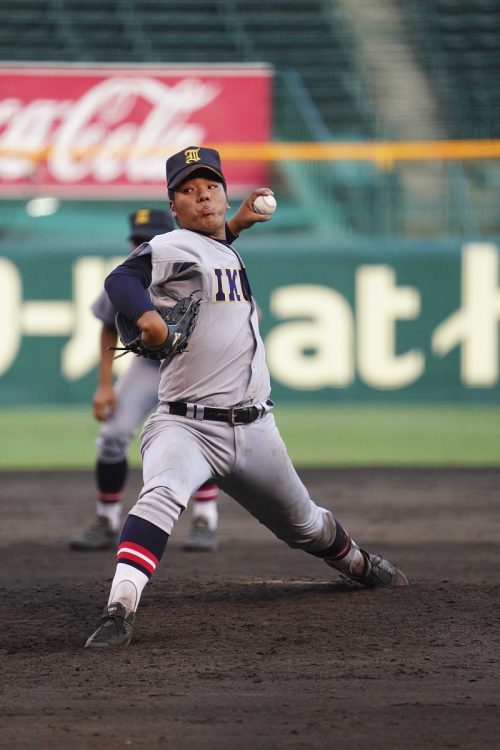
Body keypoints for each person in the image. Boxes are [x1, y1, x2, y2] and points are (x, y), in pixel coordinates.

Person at [85, 146, 409, 648]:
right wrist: (147, 317)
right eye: (188, 192)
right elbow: (122, 278)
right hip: (184, 426)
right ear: (174, 208)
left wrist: (236, 224)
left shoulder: (218, 246)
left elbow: (212, 247)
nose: (202, 196)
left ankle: (359, 563)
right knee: (162, 495)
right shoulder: (172, 244)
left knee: (306, 526)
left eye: (210, 187)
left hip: (255, 429)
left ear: (223, 192)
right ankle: (119, 607)